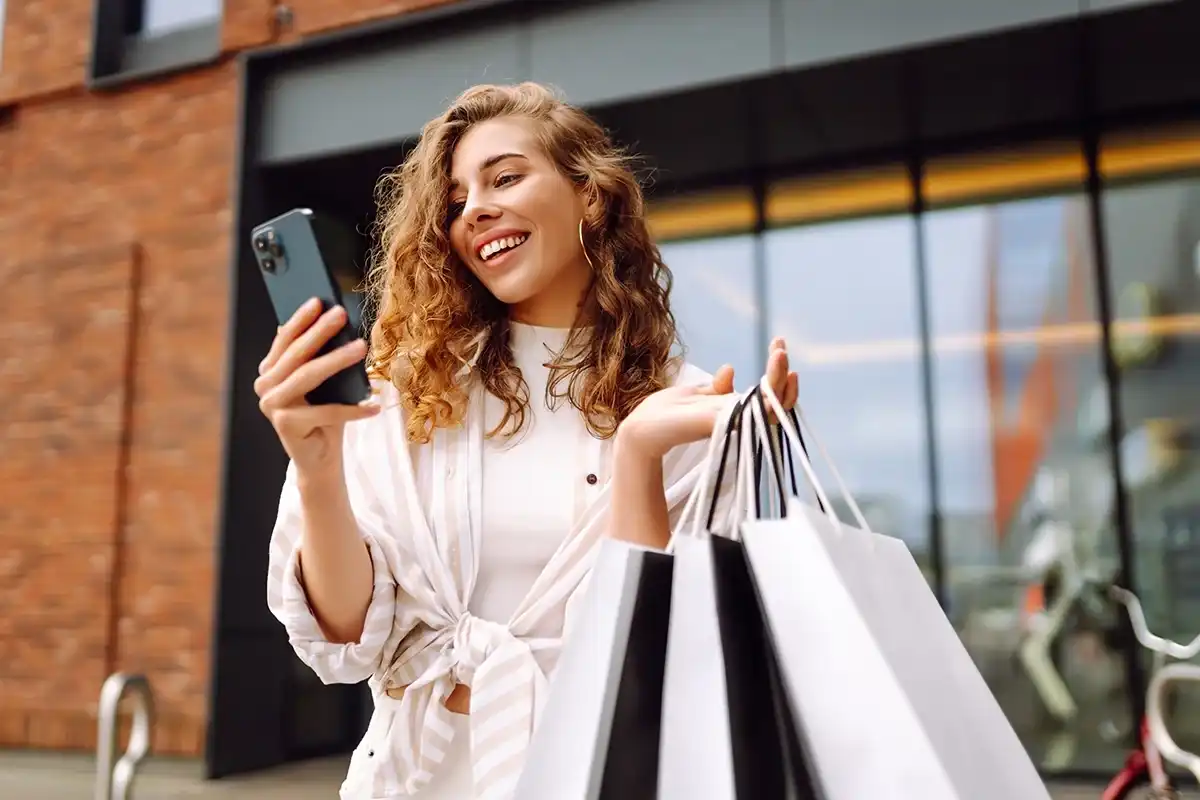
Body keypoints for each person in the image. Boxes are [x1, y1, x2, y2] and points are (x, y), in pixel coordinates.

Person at [259, 82, 798, 800]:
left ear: (589, 195)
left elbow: (671, 656)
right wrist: (318, 472)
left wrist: (638, 457)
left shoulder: (685, 407)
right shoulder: (404, 394)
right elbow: (345, 638)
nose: (475, 208)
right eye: (454, 202)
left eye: (506, 176)